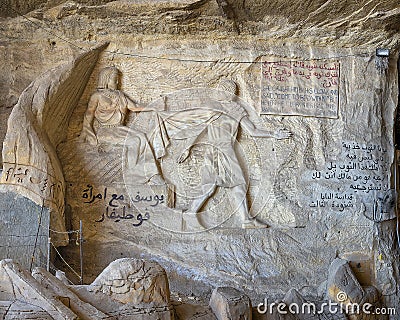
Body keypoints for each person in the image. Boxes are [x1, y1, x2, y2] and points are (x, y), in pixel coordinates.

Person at [176, 79, 291, 228]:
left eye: (229, 90)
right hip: (216, 150)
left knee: (233, 184)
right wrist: (187, 148)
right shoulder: (212, 107)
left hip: (226, 150)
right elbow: (199, 128)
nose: (225, 93)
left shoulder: (236, 109)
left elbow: (253, 131)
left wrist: (274, 134)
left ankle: (244, 219)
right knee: (218, 185)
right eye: (223, 89)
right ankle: (192, 212)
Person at [80, 66, 163, 185]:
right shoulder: (97, 96)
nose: (117, 82)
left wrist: (154, 107)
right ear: (106, 80)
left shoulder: (120, 95)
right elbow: (88, 116)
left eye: (118, 79)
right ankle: (134, 176)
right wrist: (88, 135)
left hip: (120, 129)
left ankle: (152, 174)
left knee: (143, 137)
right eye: (115, 79)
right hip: (105, 131)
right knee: (134, 141)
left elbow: (134, 107)